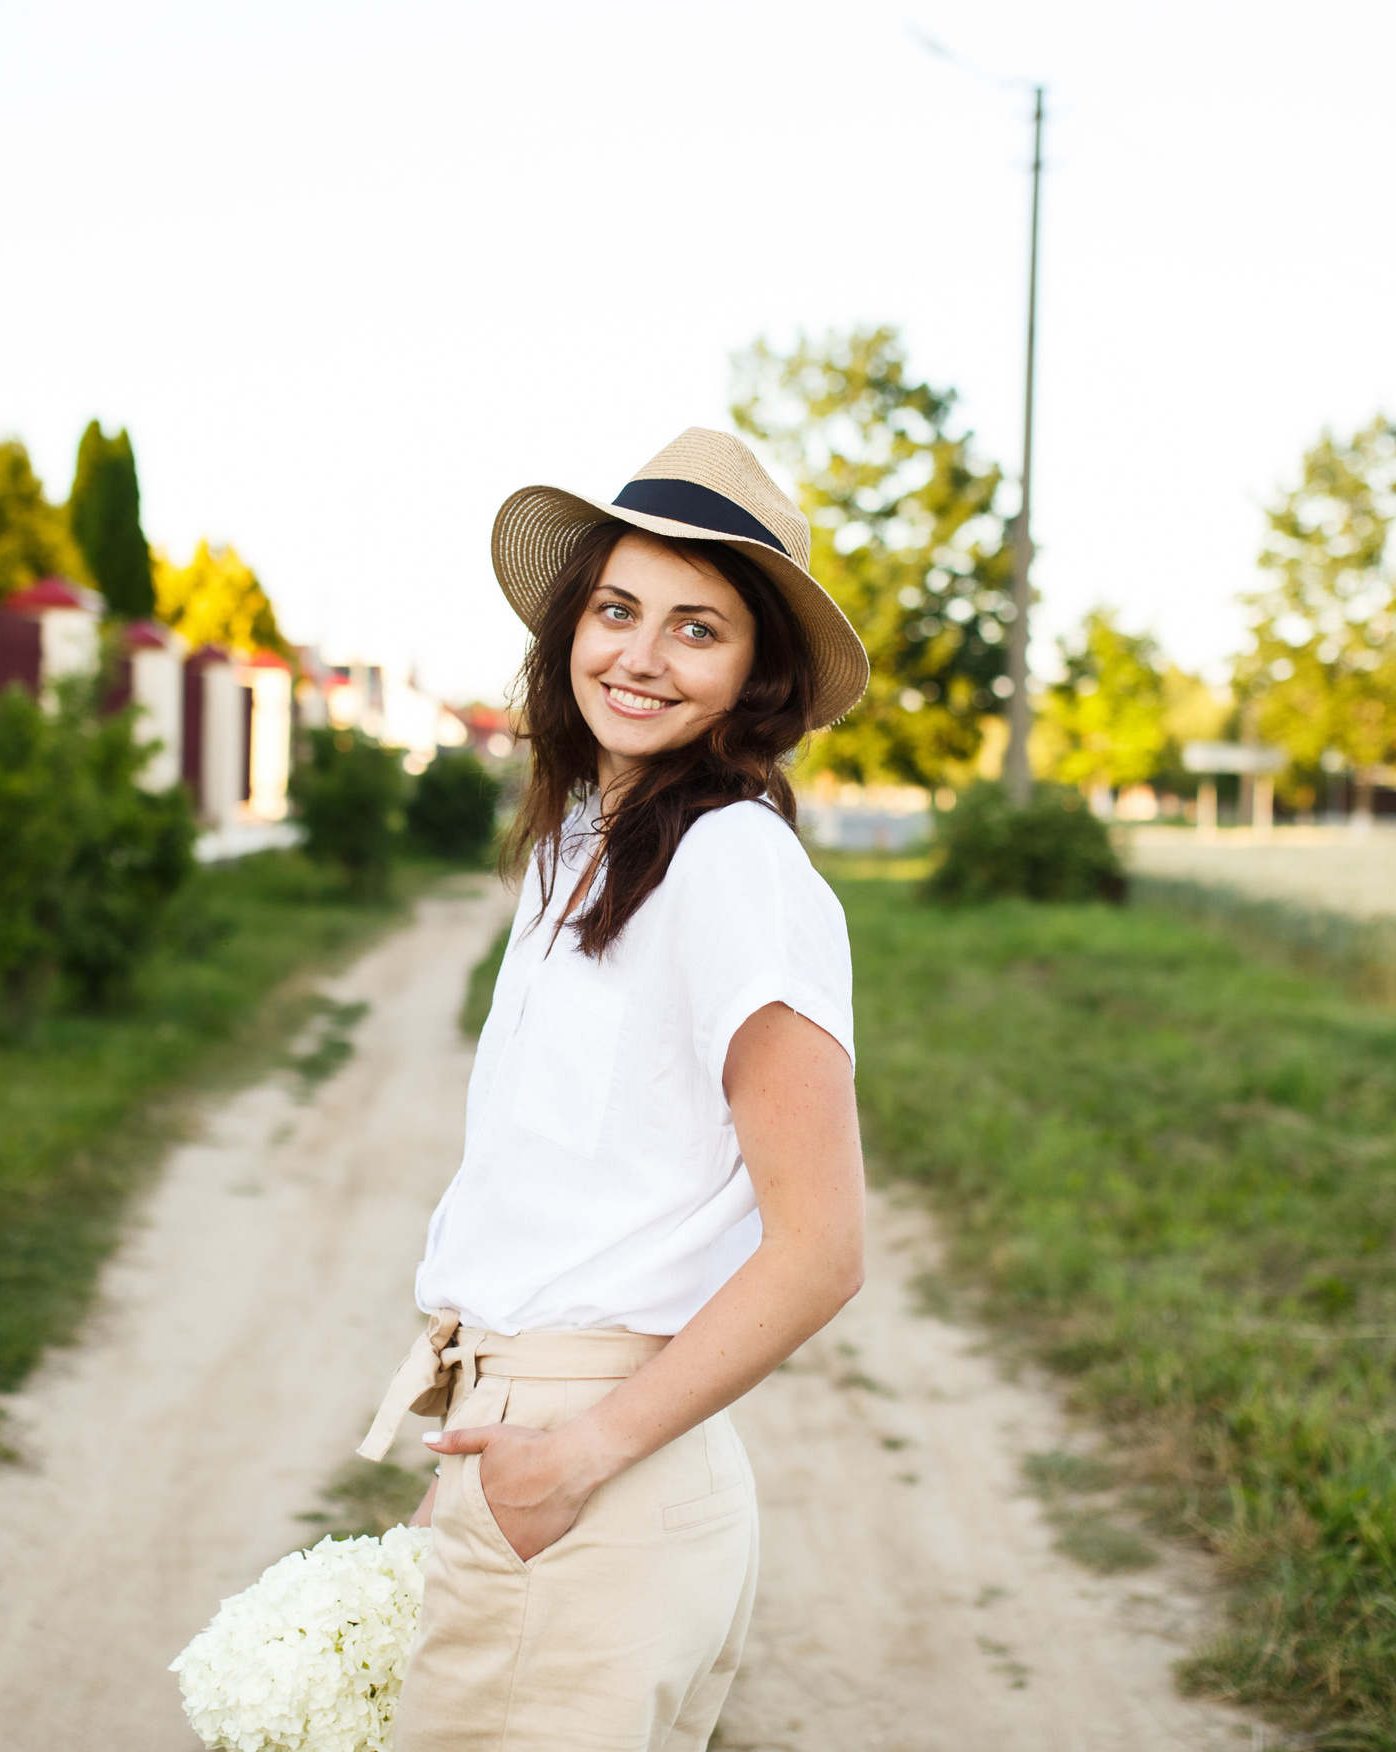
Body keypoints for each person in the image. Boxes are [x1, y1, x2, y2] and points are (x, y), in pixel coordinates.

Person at [353, 428, 873, 1750]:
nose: (639, 656)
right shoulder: (583, 847)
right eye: (616, 609)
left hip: (596, 1481)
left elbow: (819, 1249)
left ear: (757, 672)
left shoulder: (733, 869)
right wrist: (482, 1445)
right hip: (531, 1449)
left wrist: (565, 1461)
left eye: (697, 628)